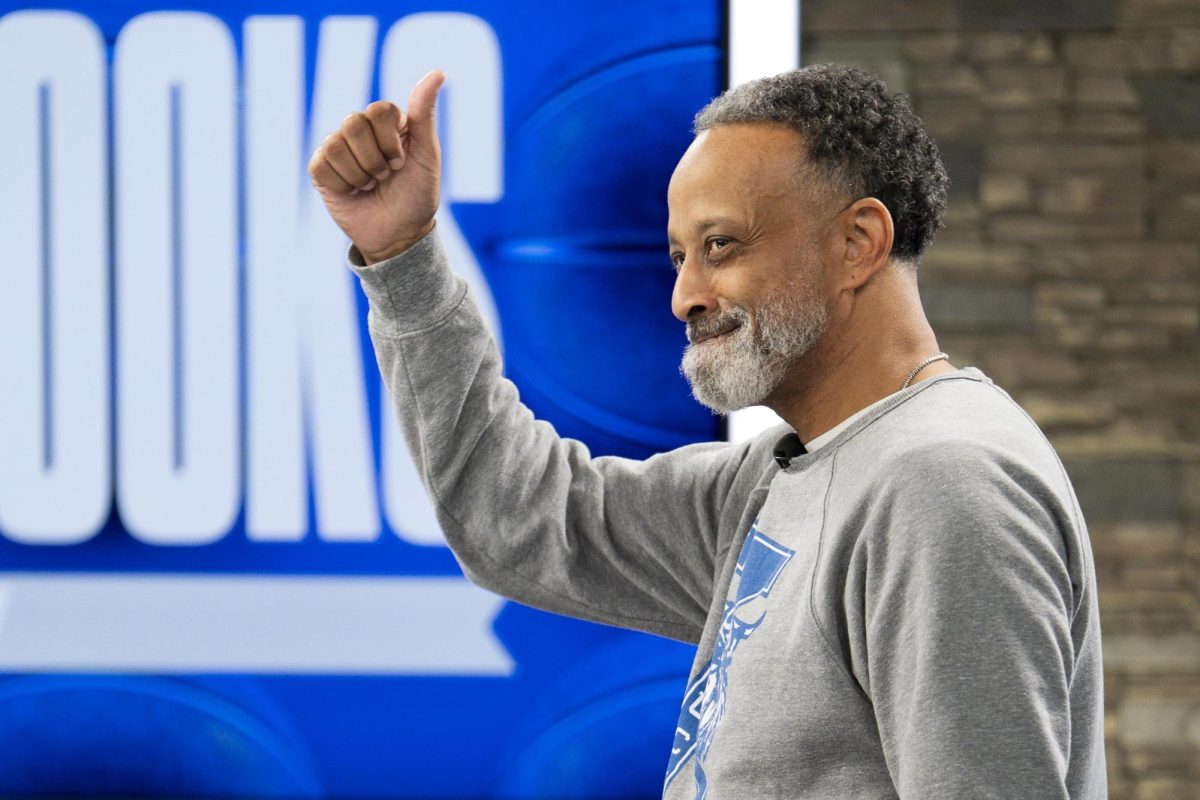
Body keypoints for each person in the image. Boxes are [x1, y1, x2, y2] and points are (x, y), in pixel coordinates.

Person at [309, 64, 1106, 799]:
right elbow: (514, 518)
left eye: (721, 246)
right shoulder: (776, 476)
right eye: (679, 256)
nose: (684, 295)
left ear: (859, 242)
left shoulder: (940, 485)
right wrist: (401, 254)